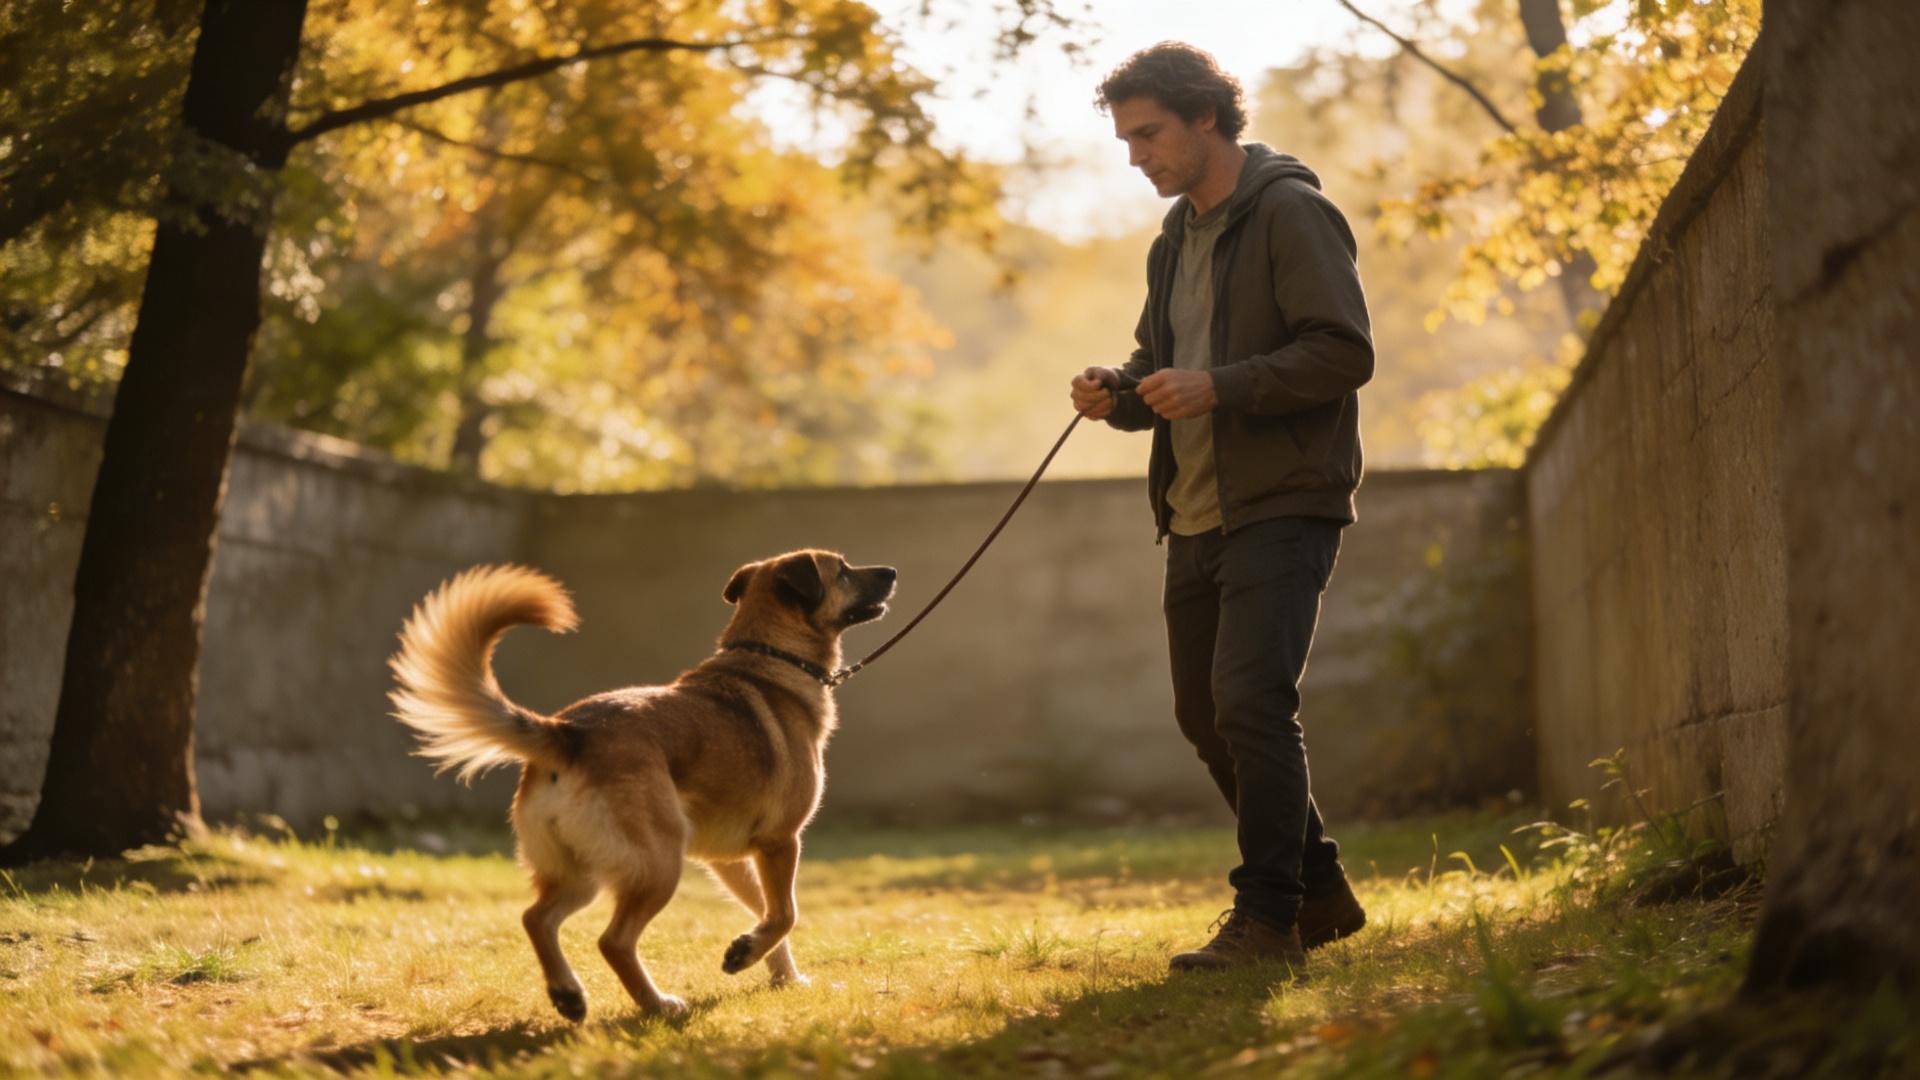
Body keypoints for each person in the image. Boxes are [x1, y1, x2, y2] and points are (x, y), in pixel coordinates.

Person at [1070, 42, 1373, 973]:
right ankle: (1318, 893)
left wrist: (1219, 388)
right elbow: (1163, 366)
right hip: (1194, 511)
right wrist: (1115, 390)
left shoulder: (1291, 212)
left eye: (1149, 134)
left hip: (1283, 501)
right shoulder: (1176, 239)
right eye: (1126, 140)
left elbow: (1342, 353)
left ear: (1207, 117)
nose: (1137, 157)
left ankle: (1270, 922)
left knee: (1250, 703)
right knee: (1206, 716)